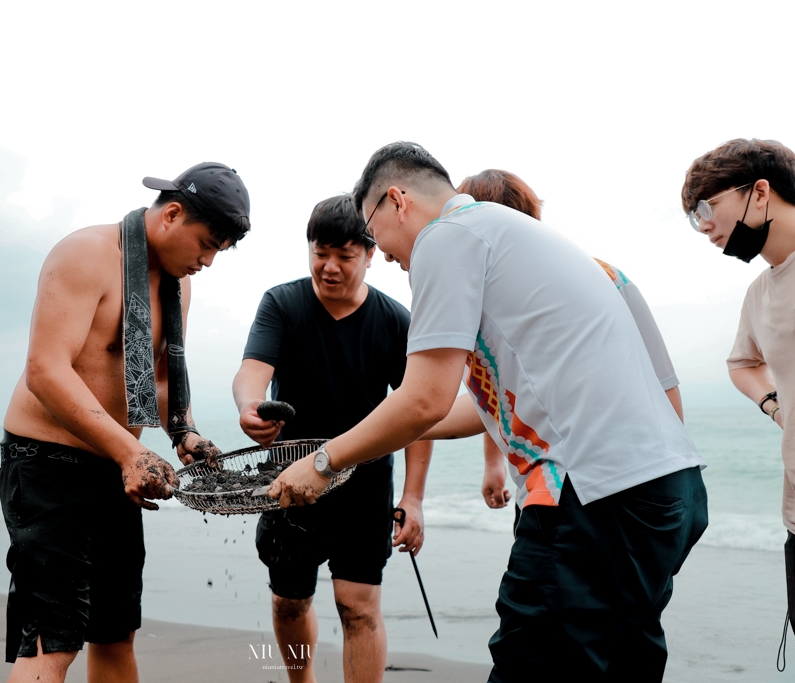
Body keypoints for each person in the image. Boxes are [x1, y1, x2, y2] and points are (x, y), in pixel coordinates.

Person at [270, 142, 707, 682]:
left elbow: (423, 399)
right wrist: (362, 440)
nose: (381, 252)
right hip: (669, 491)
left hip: (591, 501)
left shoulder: (446, 236)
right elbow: (455, 409)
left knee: (530, 668)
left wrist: (322, 463)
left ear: (395, 201)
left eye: (372, 230)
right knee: (623, 663)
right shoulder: (554, 253)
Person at [0, 162, 250, 683]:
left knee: (115, 632)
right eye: (206, 244)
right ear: (172, 215)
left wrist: (184, 432)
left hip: (117, 469)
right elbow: (46, 371)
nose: (207, 260)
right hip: (46, 465)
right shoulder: (86, 253)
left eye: (217, 252)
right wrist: (129, 451)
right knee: (54, 637)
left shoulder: (177, 286)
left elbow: (154, 383)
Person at [232, 194, 432, 683]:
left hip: (364, 484)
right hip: (291, 481)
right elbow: (253, 371)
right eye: (321, 252)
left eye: (346, 255)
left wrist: (413, 497)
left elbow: (419, 413)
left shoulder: (395, 321)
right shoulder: (283, 303)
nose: (331, 267)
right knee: (288, 602)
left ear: (370, 254)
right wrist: (249, 408)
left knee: (358, 607)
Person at [454, 170, 684, 521]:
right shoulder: (598, 274)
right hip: (609, 484)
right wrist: (493, 463)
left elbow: (662, 383)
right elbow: (508, 392)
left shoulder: (594, 279)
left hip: (588, 488)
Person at [683, 137, 795, 640]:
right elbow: (741, 363)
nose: (703, 225)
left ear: (761, 191)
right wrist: (777, 407)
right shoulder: (760, 291)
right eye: (693, 215)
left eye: (708, 207)